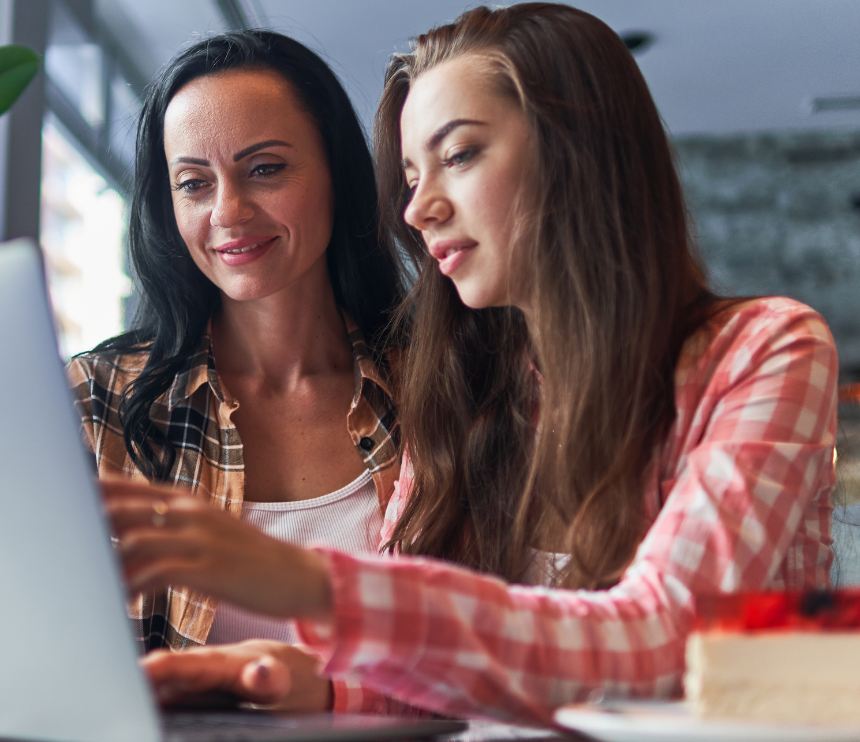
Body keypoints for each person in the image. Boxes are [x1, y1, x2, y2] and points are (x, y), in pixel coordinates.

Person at [105, 2, 837, 721]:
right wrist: (302, 681)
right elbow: (451, 666)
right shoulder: (465, 382)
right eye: (413, 177)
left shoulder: (766, 349)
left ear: (578, 150)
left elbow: (660, 645)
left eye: (457, 155)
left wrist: (311, 586)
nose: (417, 211)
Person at [68, 31, 405, 653]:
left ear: (337, 171)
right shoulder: (94, 401)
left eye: (265, 169)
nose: (228, 211)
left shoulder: (440, 384)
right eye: (193, 183)